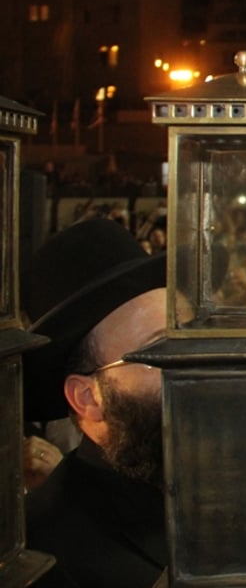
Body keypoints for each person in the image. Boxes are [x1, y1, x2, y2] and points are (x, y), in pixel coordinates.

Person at [22, 218, 172, 587]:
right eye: (159, 353)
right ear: (88, 398)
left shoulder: (227, 486)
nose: (192, 371)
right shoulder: (44, 559)